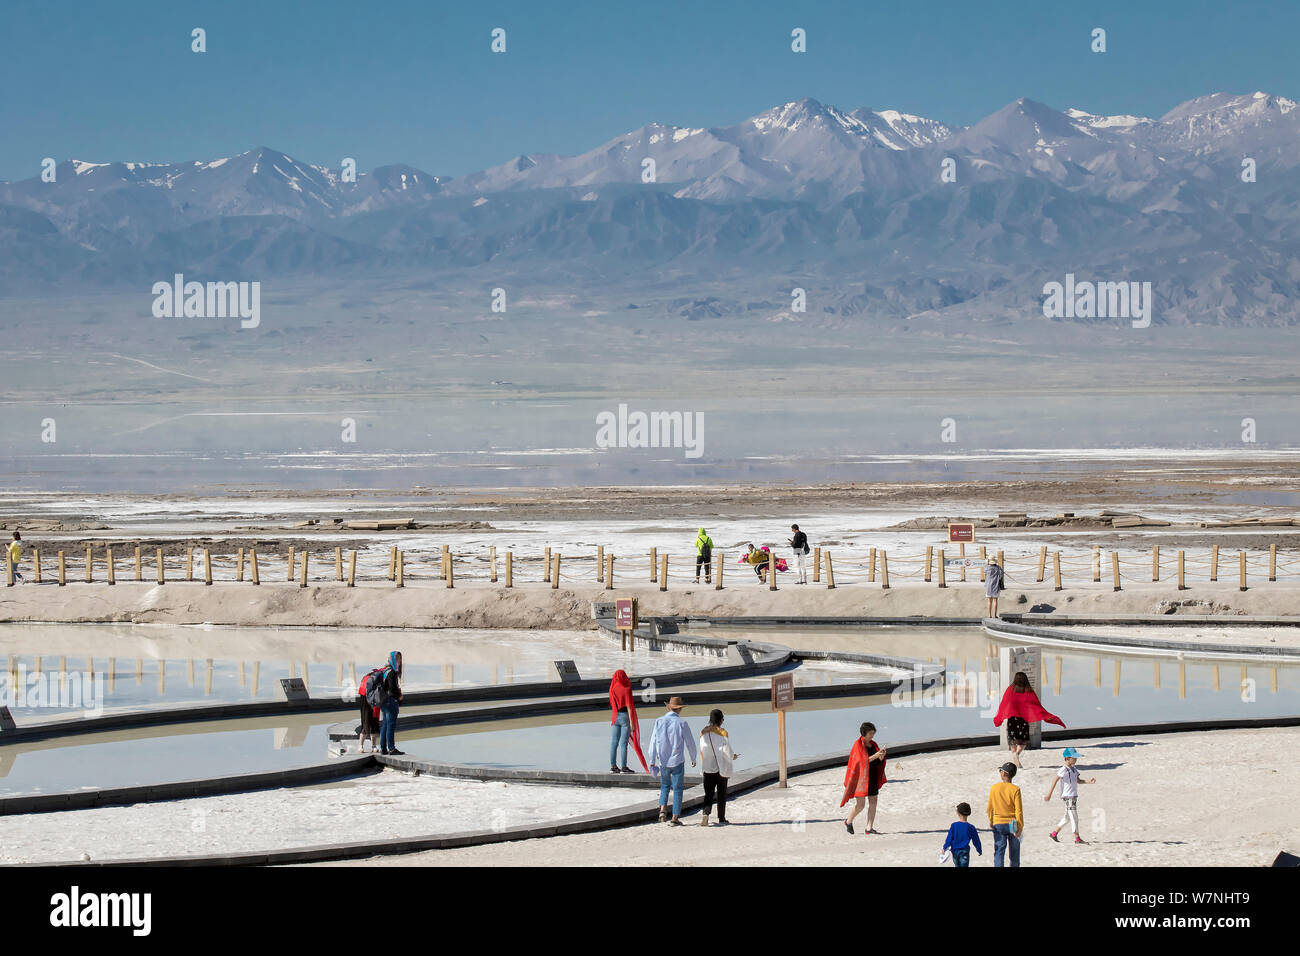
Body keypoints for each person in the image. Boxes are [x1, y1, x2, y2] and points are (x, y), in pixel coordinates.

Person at [993, 670, 1065, 767]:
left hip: (1012, 720)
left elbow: (1004, 704)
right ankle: (1017, 754)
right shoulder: (1028, 690)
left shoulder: (1010, 689)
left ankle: (1014, 756)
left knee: (1012, 740)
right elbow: (1035, 705)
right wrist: (1045, 715)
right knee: (1023, 741)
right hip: (1023, 720)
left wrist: (1000, 718)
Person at [646, 696, 697, 825]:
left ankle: (662, 810)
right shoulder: (682, 723)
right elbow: (690, 743)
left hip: (663, 761)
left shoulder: (658, 721)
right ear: (679, 709)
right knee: (678, 789)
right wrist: (693, 758)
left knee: (665, 786)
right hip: (677, 761)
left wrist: (652, 760)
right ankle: (674, 818)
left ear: (668, 707)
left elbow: (653, 742)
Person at [840, 721, 887, 834]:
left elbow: (877, 761)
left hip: (873, 776)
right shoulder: (857, 745)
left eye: (873, 733)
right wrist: (876, 755)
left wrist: (881, 756)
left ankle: (869, 828)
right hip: (861, 780)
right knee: (860, 805)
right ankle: (848, 821)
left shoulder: (873, 744)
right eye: (870, 733)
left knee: (873, 801)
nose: (872, 736)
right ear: (864, 733)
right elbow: (860, 762)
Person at [1045, 747, 1097, 844]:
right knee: (1074, 817)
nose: (1076, 759)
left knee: (1067, 817)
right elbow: (1055, 781)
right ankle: (1077, 838)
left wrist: (1089, 782)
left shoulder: (1074, 770)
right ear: (1067, 758)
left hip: (1073, 796)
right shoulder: (1063, 770)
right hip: (1068, 797)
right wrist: (1049, 794)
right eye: (1074, 758)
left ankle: (1054, 834)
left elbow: (1079, 781)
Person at [699, 708, 738, 826]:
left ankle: (706, 813)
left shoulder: (703, 733)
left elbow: (701, 750)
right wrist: (733, 756)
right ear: (721, 720)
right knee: (721, 794)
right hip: (721, 769)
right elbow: (727, 751)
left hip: (707, 767)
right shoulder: (723, 733)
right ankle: (721, 818)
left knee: (708, 793)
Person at [608, 669, 648, 773]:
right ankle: (624, 767)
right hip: (624, 717)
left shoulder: (612, 689)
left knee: (613, 742)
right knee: (623, 743)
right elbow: (629, 707)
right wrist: (632, 722)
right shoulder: (626, 689)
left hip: (614, 717)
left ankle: (613, 766)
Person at [986, 762, 1024, 867]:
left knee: (999, 851)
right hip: (1013, 823)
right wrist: (1020, 827)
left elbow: (990, 808)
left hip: (998, 822)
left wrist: (991, 820)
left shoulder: (994, 788)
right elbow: (1019, 810)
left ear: (1004, 774)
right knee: (1015, 854)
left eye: (1001, 771)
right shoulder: (1015, 789)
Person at [377, 650, 404, 756]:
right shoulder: (392, 672)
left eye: (400, 659)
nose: (399, 661)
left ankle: (383, 748)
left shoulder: (385, 670)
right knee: (391, 725)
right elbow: (392, 688)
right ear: (393, 659)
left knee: (385, 724)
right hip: (390, 701)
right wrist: (399, 696)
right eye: (397, 658)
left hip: (384, 701)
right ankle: (391, 748)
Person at [942, 802, 983, 867]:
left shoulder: (954, 825)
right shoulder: (971, 827)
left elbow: (949, 839)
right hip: (964, 851)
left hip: (954, 851)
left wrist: (945, 847)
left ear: (958, 813)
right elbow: (976, 840)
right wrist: (979, 849)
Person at [357, 666, 384, 753]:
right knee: (372, 722)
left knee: (366, 721)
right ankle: (371, 746)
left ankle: (361, 746)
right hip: (371, 699)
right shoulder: (380, 677)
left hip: (365, 698)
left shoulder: (368, 677)